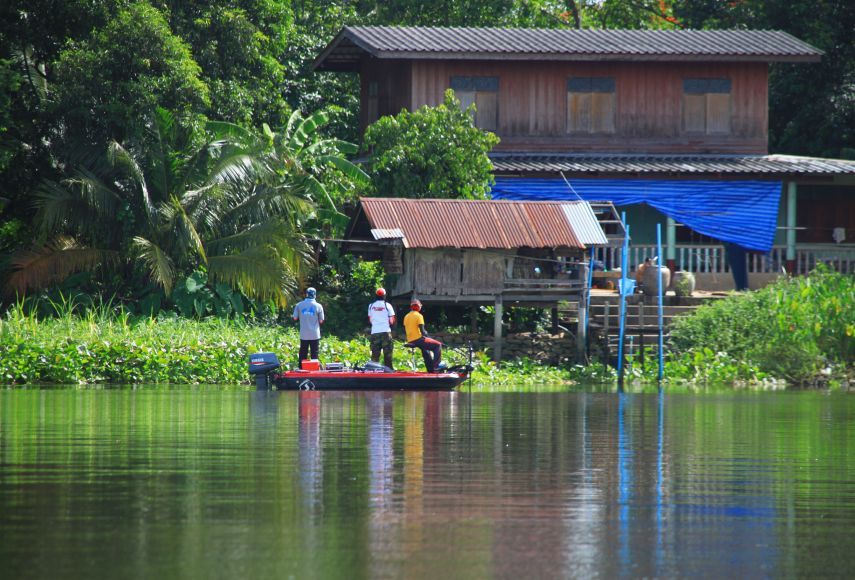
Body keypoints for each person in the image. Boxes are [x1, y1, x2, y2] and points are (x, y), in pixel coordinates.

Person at [403, 299, 443, 373]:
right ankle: (436, 367)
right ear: (419, 307)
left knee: (425, 349)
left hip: (410, 339)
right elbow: (423, 332)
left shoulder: (406, 316)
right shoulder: (419, 316)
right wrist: (430, 338)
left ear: (411, 307)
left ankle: (430, 370)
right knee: (438, 345)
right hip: (418, 339)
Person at [292, 287, 325, 365]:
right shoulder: (319, 306)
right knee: (314, 354)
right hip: (314, 334)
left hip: (304, 334)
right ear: (315, 295)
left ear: (306, 294)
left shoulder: (299, 305)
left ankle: (301, 370)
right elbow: (321, 320)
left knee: (303, 353)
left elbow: (295, 318)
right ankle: (314, 372)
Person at [368, 287, 396, 368]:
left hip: (374, 333)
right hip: (386, 332)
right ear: (384, 296)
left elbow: (370, 320)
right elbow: (392, 321)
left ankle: (373, 372)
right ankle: (388, 372)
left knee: (375, 355)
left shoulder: (371, 306)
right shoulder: (388, 305)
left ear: (376, 295)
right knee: (388, 355)